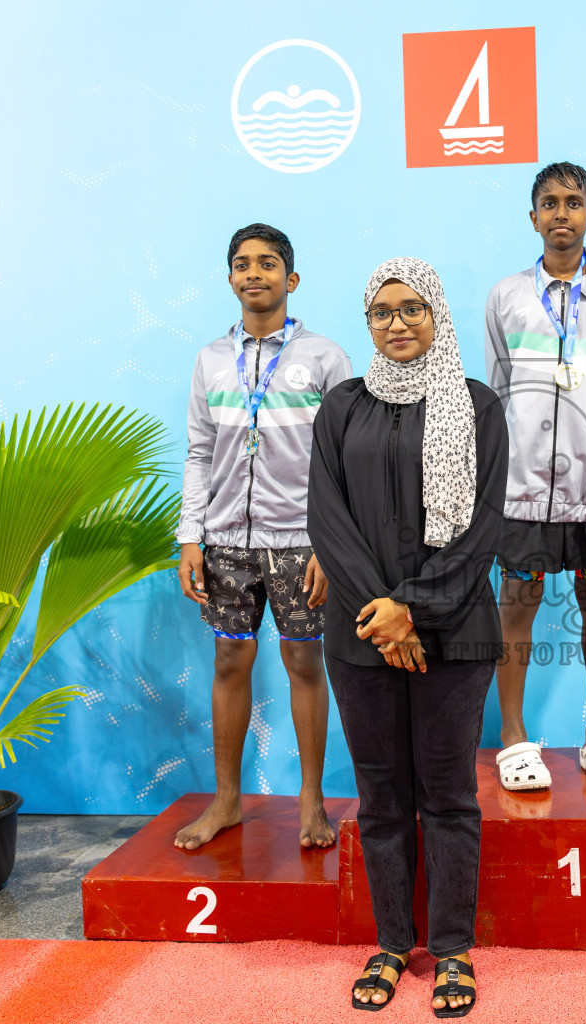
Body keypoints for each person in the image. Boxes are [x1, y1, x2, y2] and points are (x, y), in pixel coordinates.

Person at [309, 257, 507, 1016]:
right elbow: (327, 518)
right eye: (382, 312)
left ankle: (452, 949)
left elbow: (484, 525)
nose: (397, 323)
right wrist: (383, 614)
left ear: (439, 315)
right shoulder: (343, 407)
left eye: (412, 308)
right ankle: (393, 942)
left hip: (454, 634)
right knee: (382, 798)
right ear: (368, 323)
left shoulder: (478, 405)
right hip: (361, 637)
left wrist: (414, 610)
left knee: (450, 797)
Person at [174, 223, 352, 851]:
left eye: (268, 263)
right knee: (230, 659)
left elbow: (342, 462)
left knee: (305, 660)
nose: (255, 274)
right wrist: (190, 536)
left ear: (291, 279)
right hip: (225, 540)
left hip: (301, 542)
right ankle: (225, 801)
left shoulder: (325, 358)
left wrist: (331, 547)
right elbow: (200, 453)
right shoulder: (209, 360)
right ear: (230, 278)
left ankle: (311, 801)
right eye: (243, 264)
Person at [484, 161, 586, 793]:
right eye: (549, 202)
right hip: (522, 490)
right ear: (533, 217)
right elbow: (499, 393)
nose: (561, 213)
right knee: (516, 607)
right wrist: (511, 465)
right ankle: (514, 736)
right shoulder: (507, 296)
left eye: (573, 202)